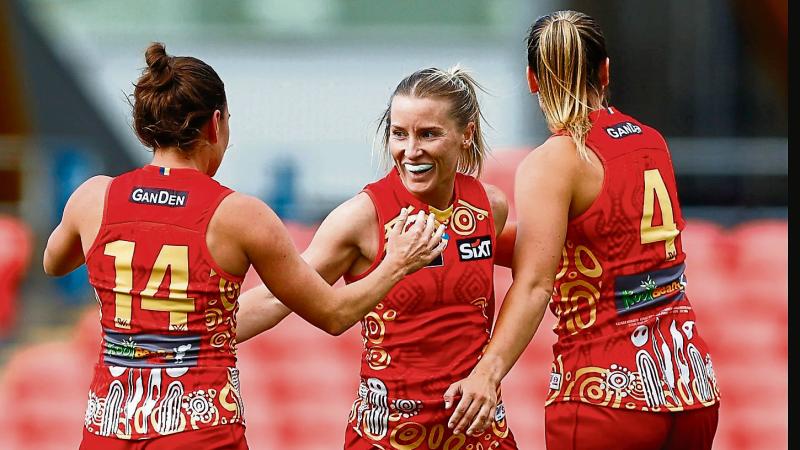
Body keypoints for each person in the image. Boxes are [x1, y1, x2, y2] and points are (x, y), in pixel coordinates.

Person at [42, 42, 444, 450]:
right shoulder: (239, 215)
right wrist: (397, 262)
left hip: (107, 429)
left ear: (147, 127)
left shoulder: (93, 198)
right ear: (215, 124)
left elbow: (54, 263)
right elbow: (334, 314)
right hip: (199, 432)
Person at [445, 10, 721, 450]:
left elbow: (536, 282)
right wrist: (467, 237)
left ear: (532, 80)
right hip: (690, 386)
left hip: (605, 394)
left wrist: (487, 371)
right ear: (606, 70)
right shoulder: (651, 140)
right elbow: (596, 245)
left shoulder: (554, 161)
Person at [236, 66, 518, 449]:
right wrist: (186, 335)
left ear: (465, 135)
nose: (411, 150)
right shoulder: (361, 218)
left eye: (429, 134)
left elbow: (539, 268)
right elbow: (277, 296)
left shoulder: (490, 206)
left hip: (477, 431)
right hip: (391, 436)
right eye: (399, 134)